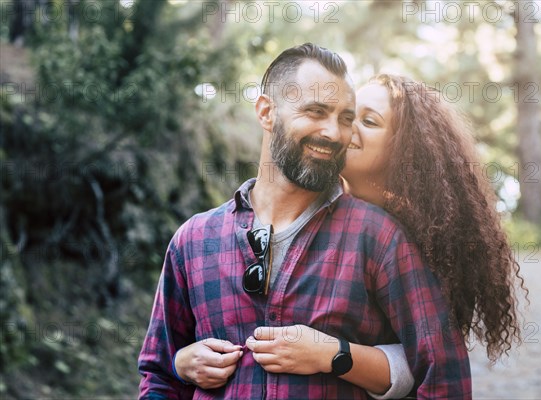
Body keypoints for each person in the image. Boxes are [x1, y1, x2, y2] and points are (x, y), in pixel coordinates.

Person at [138, 43, 472, 399]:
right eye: (316, 112)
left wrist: (336, 354)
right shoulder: (194, 240)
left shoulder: (379, 238)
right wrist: (179, 365)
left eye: (346, 118)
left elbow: (442, 376)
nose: (335, 133)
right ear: (267, 112)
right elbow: (158, 375)